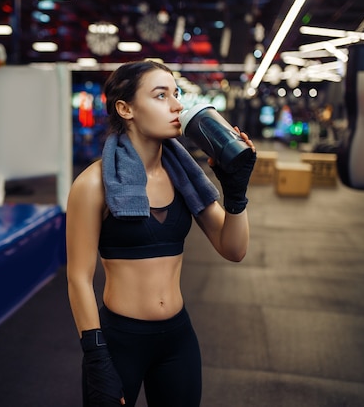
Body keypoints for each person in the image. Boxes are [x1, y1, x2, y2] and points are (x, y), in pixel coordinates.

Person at [66, 60, 256, 407]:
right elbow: (78, 277)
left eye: (176, 93)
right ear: (126, 109)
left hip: (177, 339)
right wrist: (95, 356)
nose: (177, 105)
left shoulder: (184, 178)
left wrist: (236, 194)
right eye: (160, 95)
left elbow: (234, 249)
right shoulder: (93, 184)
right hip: (119, 341)